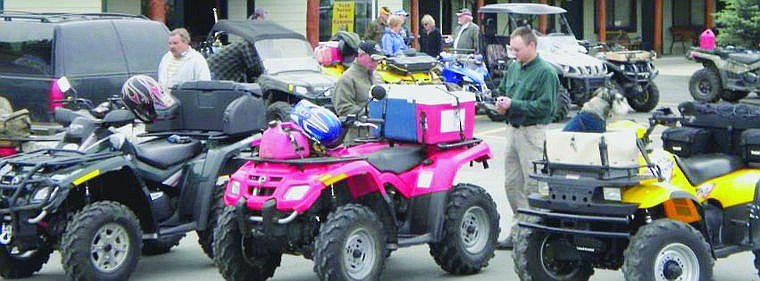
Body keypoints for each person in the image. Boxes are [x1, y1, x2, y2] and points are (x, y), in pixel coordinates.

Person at [494, 26, 558, 250]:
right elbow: (503, 90)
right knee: (512, 184)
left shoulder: (546, 73)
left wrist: (515, 104)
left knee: (534, 184)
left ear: (532, 46)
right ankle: (520, 230)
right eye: (512, 49)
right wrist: (500, 103)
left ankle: (537, 234)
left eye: (517, 49)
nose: (514, 53)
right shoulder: (514, 68)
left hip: (532, 133)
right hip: (512, 130)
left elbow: (546, 107)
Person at [332, 40, 384, 145]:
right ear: (361, 55)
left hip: (376, 136)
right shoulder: (347, 79)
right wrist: (371, 113)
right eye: (373, 59)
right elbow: (344, 109)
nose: (376, 63)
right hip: (356, 139)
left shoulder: (377, 77)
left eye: (379, 60)